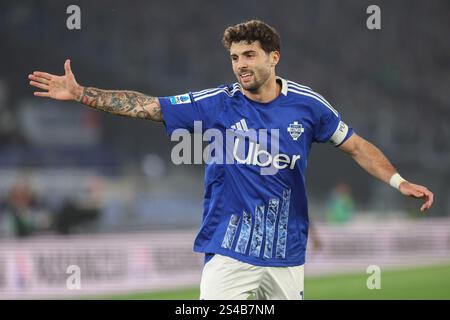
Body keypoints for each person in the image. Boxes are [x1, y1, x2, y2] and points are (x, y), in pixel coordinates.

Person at [28, 20, 433, 300]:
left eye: (249, 55)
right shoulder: (219, 103)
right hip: (229, 249)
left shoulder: (309, 105)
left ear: (274, 58)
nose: (240, 64)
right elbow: (148, 107)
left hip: (286, 253)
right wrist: (83, 94)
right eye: (235, 57)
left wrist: (399, 182)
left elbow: (358, 146)